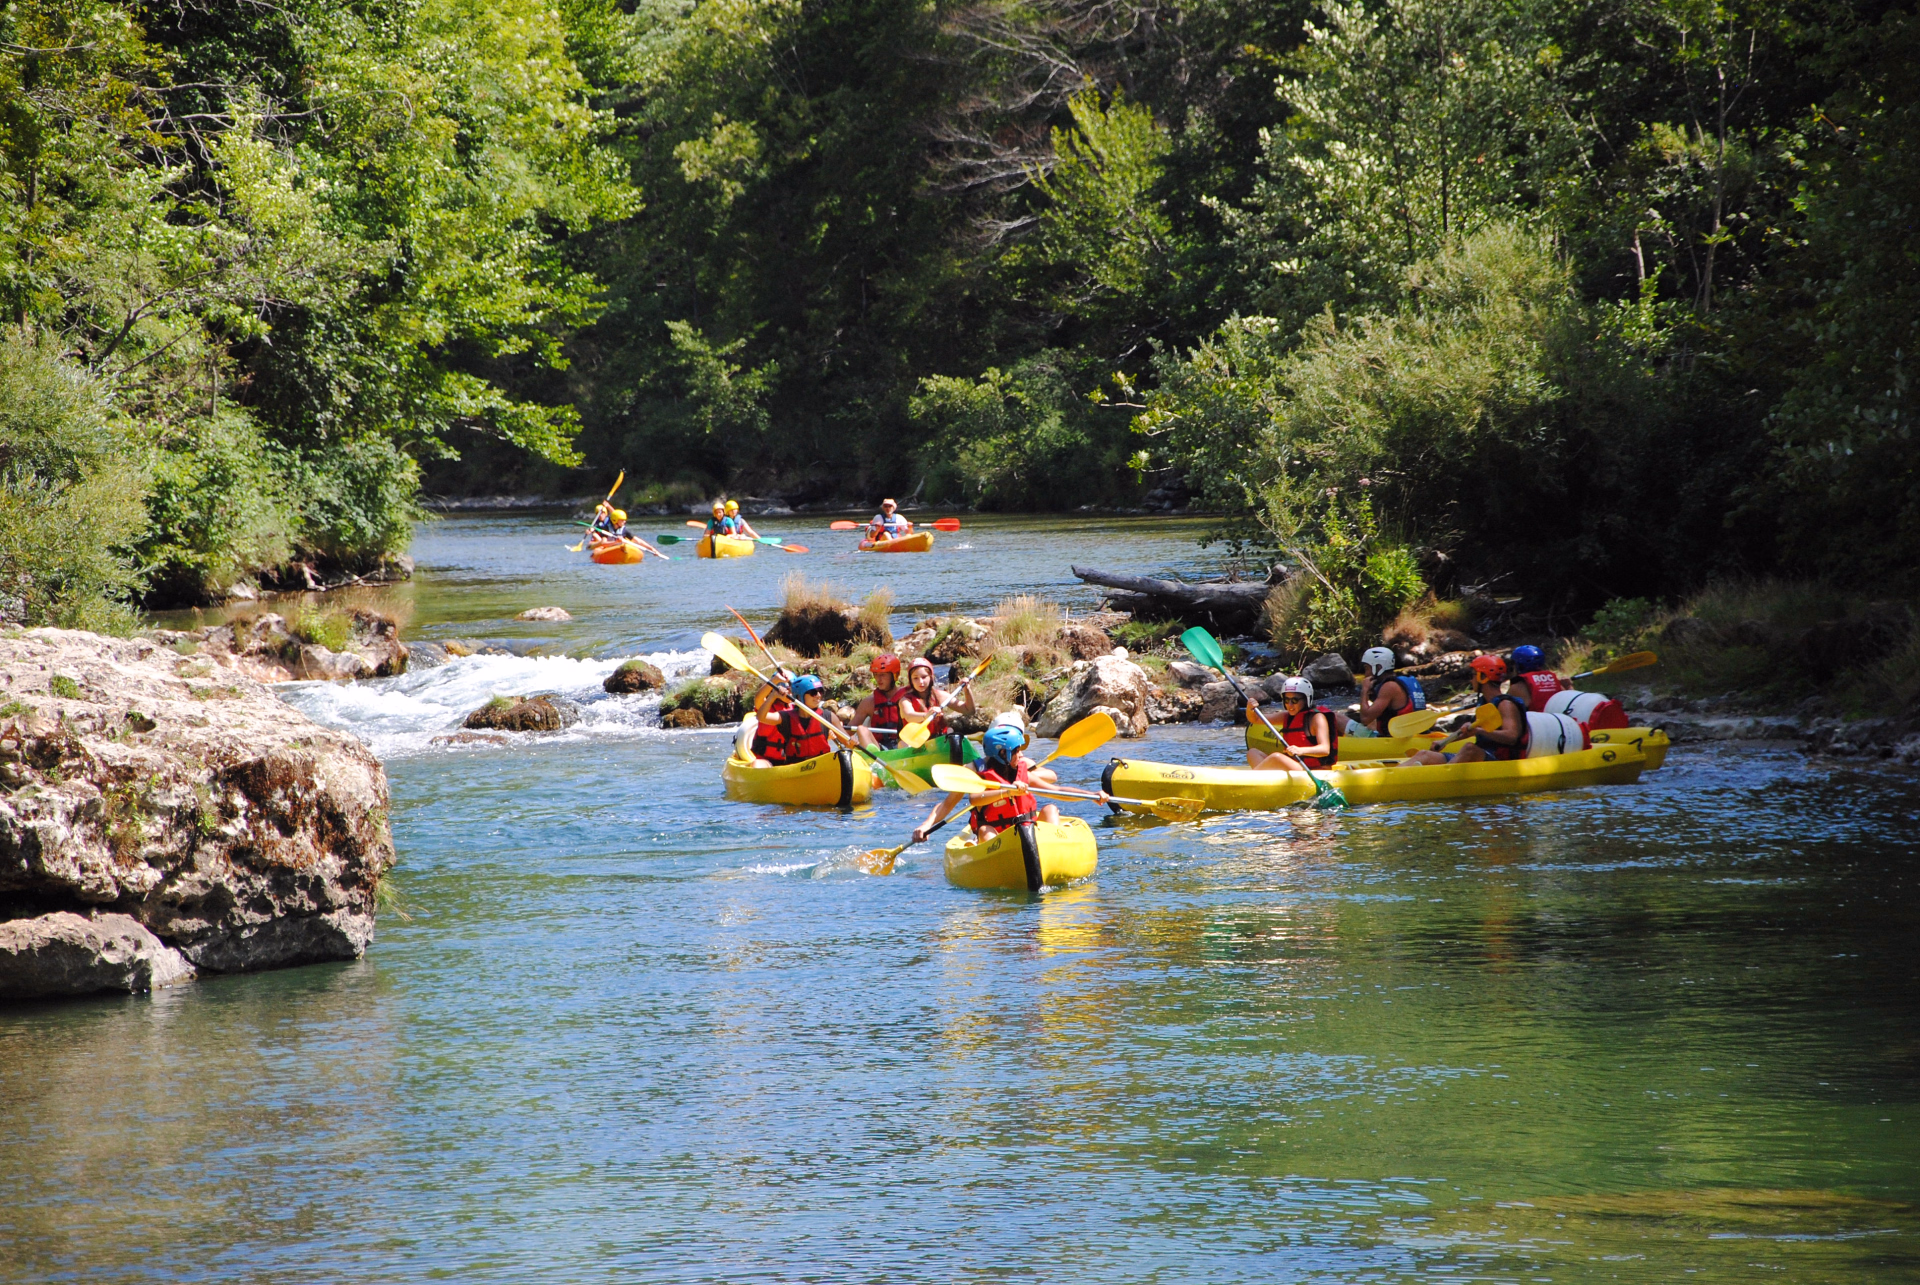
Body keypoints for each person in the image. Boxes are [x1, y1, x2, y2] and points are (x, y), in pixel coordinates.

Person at [911, 723, 1065, 844]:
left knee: (1051, 809)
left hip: (1026, 827)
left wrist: (1090, 795)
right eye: (1016, 750)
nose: (1021, 754)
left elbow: (1055, 784)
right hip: (994, 834)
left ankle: (1055, 848)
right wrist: (926, 825)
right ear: (1002, 752)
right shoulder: (973, 771)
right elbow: (948, 803)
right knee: (985, 830)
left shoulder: (1020, 765)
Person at [1406, 654, 1529, 765]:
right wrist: (1444, 742)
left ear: (1483, 677)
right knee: (1424, 754)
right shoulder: (1484, 703)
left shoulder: (1505, 704)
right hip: (1480, 756)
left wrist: (1480, 731)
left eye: (1473, 675)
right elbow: (1472, 730)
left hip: (1499, 761)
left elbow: (1512, 736)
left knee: (1469, 748)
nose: (1471, 680)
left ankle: (1440, 778)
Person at [1246, 677, 1339, 771]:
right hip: (1295, 766)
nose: (1289, 705)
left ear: (1306, 699)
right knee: (1253, 753)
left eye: (1294, 700)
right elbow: (1256, 719)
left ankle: (1254, 779)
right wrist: (1250, 709)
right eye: (1286, 700)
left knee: (1277, 757)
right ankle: (1264, 779)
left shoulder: (1317, 718)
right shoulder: (1286, 716)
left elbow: (1324, 749)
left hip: (1315, 770)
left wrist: (1300, 750)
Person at [751, 674, 845, 766]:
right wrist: (773, 690)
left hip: (795, 761)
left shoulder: (803, 711)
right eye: (813, 693)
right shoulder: (780, 713)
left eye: (791, 691)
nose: (789, 694)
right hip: (767, 758)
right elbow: (760, 709)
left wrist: (827, 733)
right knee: (758, 765)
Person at [902, 656, 976, 760]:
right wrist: (926, 715)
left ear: (931, 677)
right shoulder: (905, 700)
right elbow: (909, 716)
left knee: (951, 732)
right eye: (915, 678)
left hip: (939, 742)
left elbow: (969, 710)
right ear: (910, 680)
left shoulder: (940, 696)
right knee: (902, 743)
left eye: (924, 677)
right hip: (918, 744)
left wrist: (967, 691)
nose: (921, 682)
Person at [1354, 645, 1427, 735]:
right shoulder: (1404, 681)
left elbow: (1365, 719)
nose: (1365, 674)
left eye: (1367, 668)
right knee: (1373, 722)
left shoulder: (1389, 687)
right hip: (1413, 734)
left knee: (1337, 718)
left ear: (1378, 668)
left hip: (1394, 740)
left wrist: (1364, 690)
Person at [852, 653, 909, 749]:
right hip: (881, 748)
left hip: (904, 744)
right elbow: (848, 730)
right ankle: (874, 759)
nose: (878, 679)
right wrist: (838, 730)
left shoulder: (907, 696)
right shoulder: (869, 702)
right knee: (861, 729)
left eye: (883, 675)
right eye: (876, 675)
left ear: (895, 675)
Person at [1507, 644, 1564, 712]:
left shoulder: (1517, 687)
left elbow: (1506, 710)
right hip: (1559, 719)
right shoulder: (1555, 682)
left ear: (1519, 665)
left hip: (1536, 721)